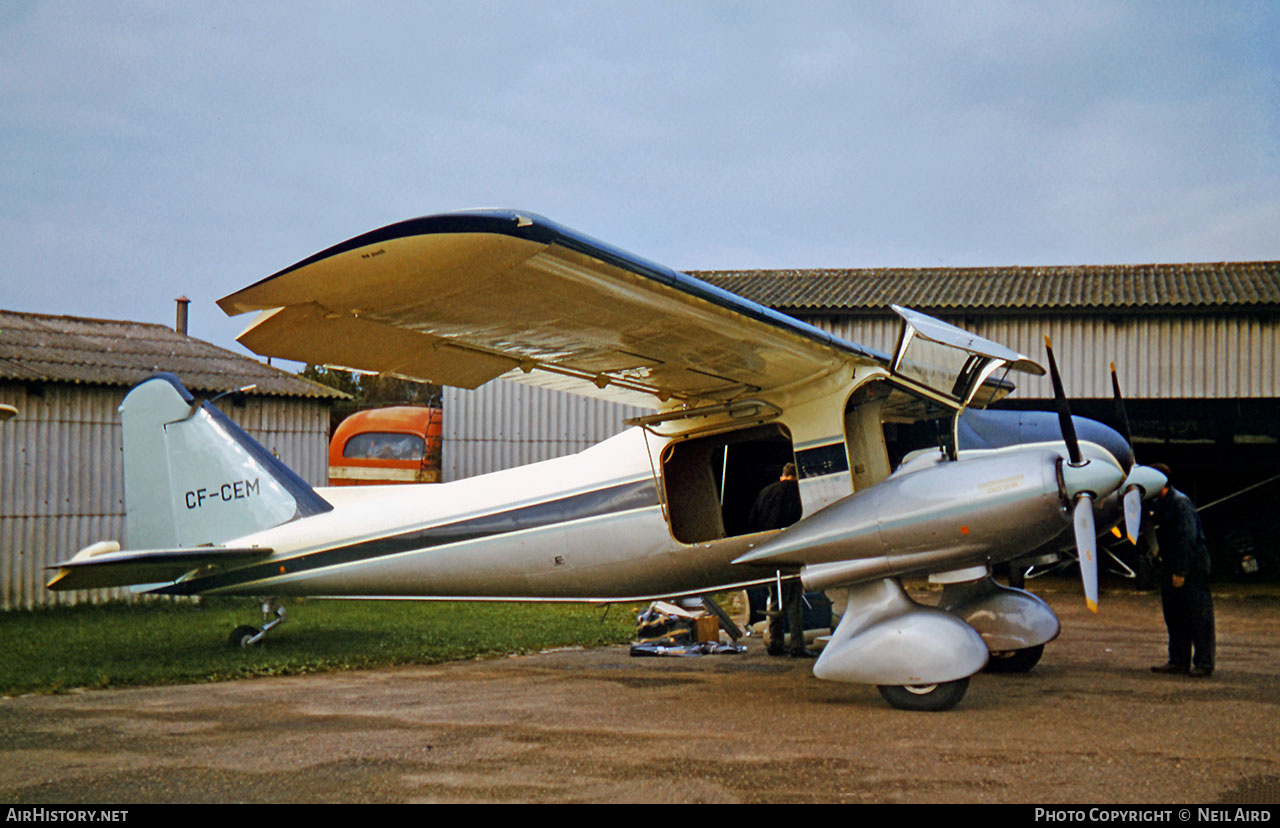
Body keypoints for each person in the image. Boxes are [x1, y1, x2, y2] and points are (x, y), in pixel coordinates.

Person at [1148, 463, 1215, 678]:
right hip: (1172, 562)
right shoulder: (1161, 503)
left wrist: (1181, 571)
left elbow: (1188, 538)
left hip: (1190, 565)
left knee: (1198, 614)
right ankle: (1178, 660)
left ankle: (1204, 663)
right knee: (1174, 614)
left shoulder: (1180, 504)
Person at [745, 463, 812, 657]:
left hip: (769, 551)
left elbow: (753, 521)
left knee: (775, 598)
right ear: (796, 476)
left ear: (783, 475)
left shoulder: (765, 492)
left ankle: (775, 642)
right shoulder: (798, 492)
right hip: (790, 550)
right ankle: (798, 646)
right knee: (793, 601)